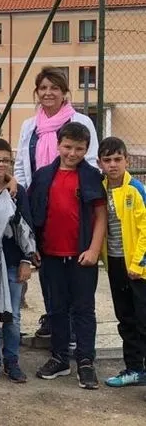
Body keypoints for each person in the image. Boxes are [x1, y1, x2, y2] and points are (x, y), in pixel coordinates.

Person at [15, 67, 99, 340]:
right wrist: (25, 197)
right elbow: (20, 165)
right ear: (37, 92)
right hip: (40, 204)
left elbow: (93, 161)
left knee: (76, 272)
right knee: (48, 267)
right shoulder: (30, 126)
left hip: (73, 201)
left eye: (54, 88)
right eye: (43, 88)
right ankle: (54, 321)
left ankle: (75, 330)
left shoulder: (81, 122)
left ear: (65, 93)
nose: (48, 93)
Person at [30, 122, 106, 390]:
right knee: (56, 309)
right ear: (58, 145)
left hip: (81, 255)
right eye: (68, 147)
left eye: (79, 149)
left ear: (86, 150)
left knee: (84, 309)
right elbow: (33, 216)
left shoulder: (91, 176)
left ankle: (85, 361)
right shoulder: (42, 176)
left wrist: (94, 249)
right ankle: (60, 357)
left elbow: (100, 215)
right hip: (50, 255)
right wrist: (34, 249)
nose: (72, 153)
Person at [0, 138, 35, 384]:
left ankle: (11, 361)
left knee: (12, 315)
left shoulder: (17, 191)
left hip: (13, 262)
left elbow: (26, 226)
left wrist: (27, 260)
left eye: (4, 159)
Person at [98, 137, 146, 388]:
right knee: (125, 318)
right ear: (100, 163)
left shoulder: (136, 189)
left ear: (127, 160)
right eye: (107, 160)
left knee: (143, 321)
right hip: (116, 265)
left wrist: (139, 264)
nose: (113, 165)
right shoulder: (99, 189)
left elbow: (145, 230)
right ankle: (134, 369)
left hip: (139, 268)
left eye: (118, 159)